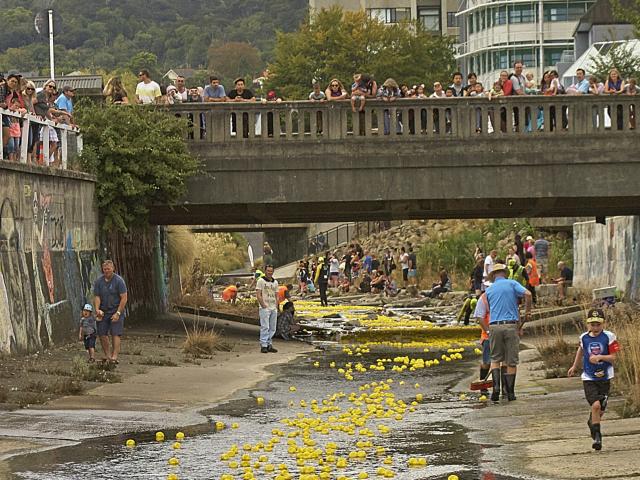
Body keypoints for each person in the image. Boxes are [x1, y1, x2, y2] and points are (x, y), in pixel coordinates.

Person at [567, 309, 619, 451]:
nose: (595, 328)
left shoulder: (609, 337)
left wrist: (600, 357)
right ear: (587, 324)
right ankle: (597, 437)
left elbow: (614, 357)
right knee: (595, 405)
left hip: (605, 376)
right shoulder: (584, 337)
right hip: (589, 377)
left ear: (603, 324)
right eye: (592, 324)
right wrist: (574, 366)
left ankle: (592, 423)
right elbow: (581, 350)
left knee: (600, 409)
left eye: (598, 324)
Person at [485, 263, 532, 402]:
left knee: (495, 359)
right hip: (510, 325)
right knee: (511, 361)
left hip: (494, 326)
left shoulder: (489, 290)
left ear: (493, 275)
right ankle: (510, 393)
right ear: (505, 273)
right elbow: (528, 294)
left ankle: (496, 389)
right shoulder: (512, 284)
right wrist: (527, 311)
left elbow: (490, 308)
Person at [93, 260, 128, 365]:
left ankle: (114, 356)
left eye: (108, 269)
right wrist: (97, 309)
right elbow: (97, 296)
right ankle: (107, 355)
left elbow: (124, 298)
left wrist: (118, 313)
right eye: (105, 269)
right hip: (103, 311)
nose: (106, 271)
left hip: (116, 310)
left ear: (113, 269)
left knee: (115, 333)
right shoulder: (99, 282)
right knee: (102, 333)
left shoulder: (119, 281)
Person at [256, 265, 279, 353]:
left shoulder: (275, 282)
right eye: (268, 271)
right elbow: (258, 294)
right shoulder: (261, 281)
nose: (270, 272)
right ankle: (263, 345)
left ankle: (269, 343)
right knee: (265, 326)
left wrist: (277, 305)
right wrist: (263, 304)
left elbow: (277, 294)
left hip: (273, 306)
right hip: (265, 307)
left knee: (272, 327)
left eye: (271, 271)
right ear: (265, 271)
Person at [473, 293, 491, 395]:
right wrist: (488, 331)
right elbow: (479, 317)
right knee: (487, 362)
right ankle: (483, 384)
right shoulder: (484, 298)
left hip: (498, 333)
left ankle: (502, 387)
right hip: (487, 336)